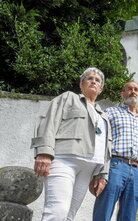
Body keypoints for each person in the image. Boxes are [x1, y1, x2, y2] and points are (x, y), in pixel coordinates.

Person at [31, 67, 112, 220]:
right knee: (57, 211)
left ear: (101, 89)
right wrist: (44, 152)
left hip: (89, 168)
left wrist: (102, 174)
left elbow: (107, 148)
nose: (93, 81)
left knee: (69, 215)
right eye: (89, 78)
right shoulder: (68, 98)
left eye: (97, 80)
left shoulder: (104, 116)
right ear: (81, 84)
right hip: (64, 160)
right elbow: (48, 122)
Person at [92, 81, 138, 221]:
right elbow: (100, 140)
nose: (133, 91)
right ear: (122, 94)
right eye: (129, 89)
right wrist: (98, 170)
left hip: (136, 172)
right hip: (115, 165)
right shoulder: (111, 112)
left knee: (129, 216)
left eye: (136, 89)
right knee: (104, 210)